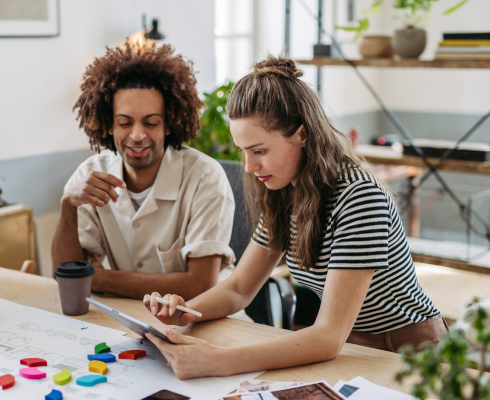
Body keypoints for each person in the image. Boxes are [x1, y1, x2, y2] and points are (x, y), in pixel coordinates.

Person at [143, 56, 446, 379]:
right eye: (242, 151)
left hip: (406, 347)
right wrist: (188, 312)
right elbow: (239, 288)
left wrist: (219, 360)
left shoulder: (358, 196)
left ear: (302, 134)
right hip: (348, 343)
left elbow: (328, 336)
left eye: (259, 151)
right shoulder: (285, 191)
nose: (248, 166)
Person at [51, 42, 236, 300]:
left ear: (169, 123)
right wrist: (68, 205)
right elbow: (66, 277)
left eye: (151, 122)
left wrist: (100, 279)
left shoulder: (205, 177)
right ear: (109, 125)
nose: (137, 135)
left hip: (205, 321)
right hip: (128, 319)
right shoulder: (91, 173)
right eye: (124, 123)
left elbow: (200, 285)